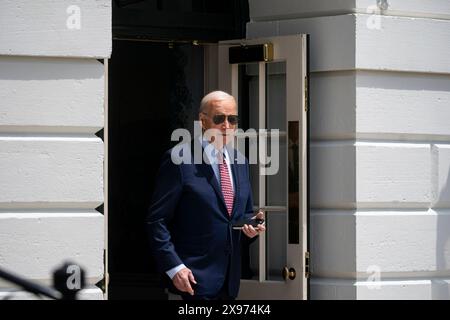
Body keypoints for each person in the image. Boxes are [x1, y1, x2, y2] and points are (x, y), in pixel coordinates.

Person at [145, 90, 265, 300]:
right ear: (203, 121)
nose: (226, 126)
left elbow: (237, 218)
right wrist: (175, 268)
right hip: (191, 280)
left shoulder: (241, 161)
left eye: (232, 119)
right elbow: (157, 220)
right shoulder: (179, 160)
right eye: (219, 118)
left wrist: (251, 228)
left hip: (229, 282)